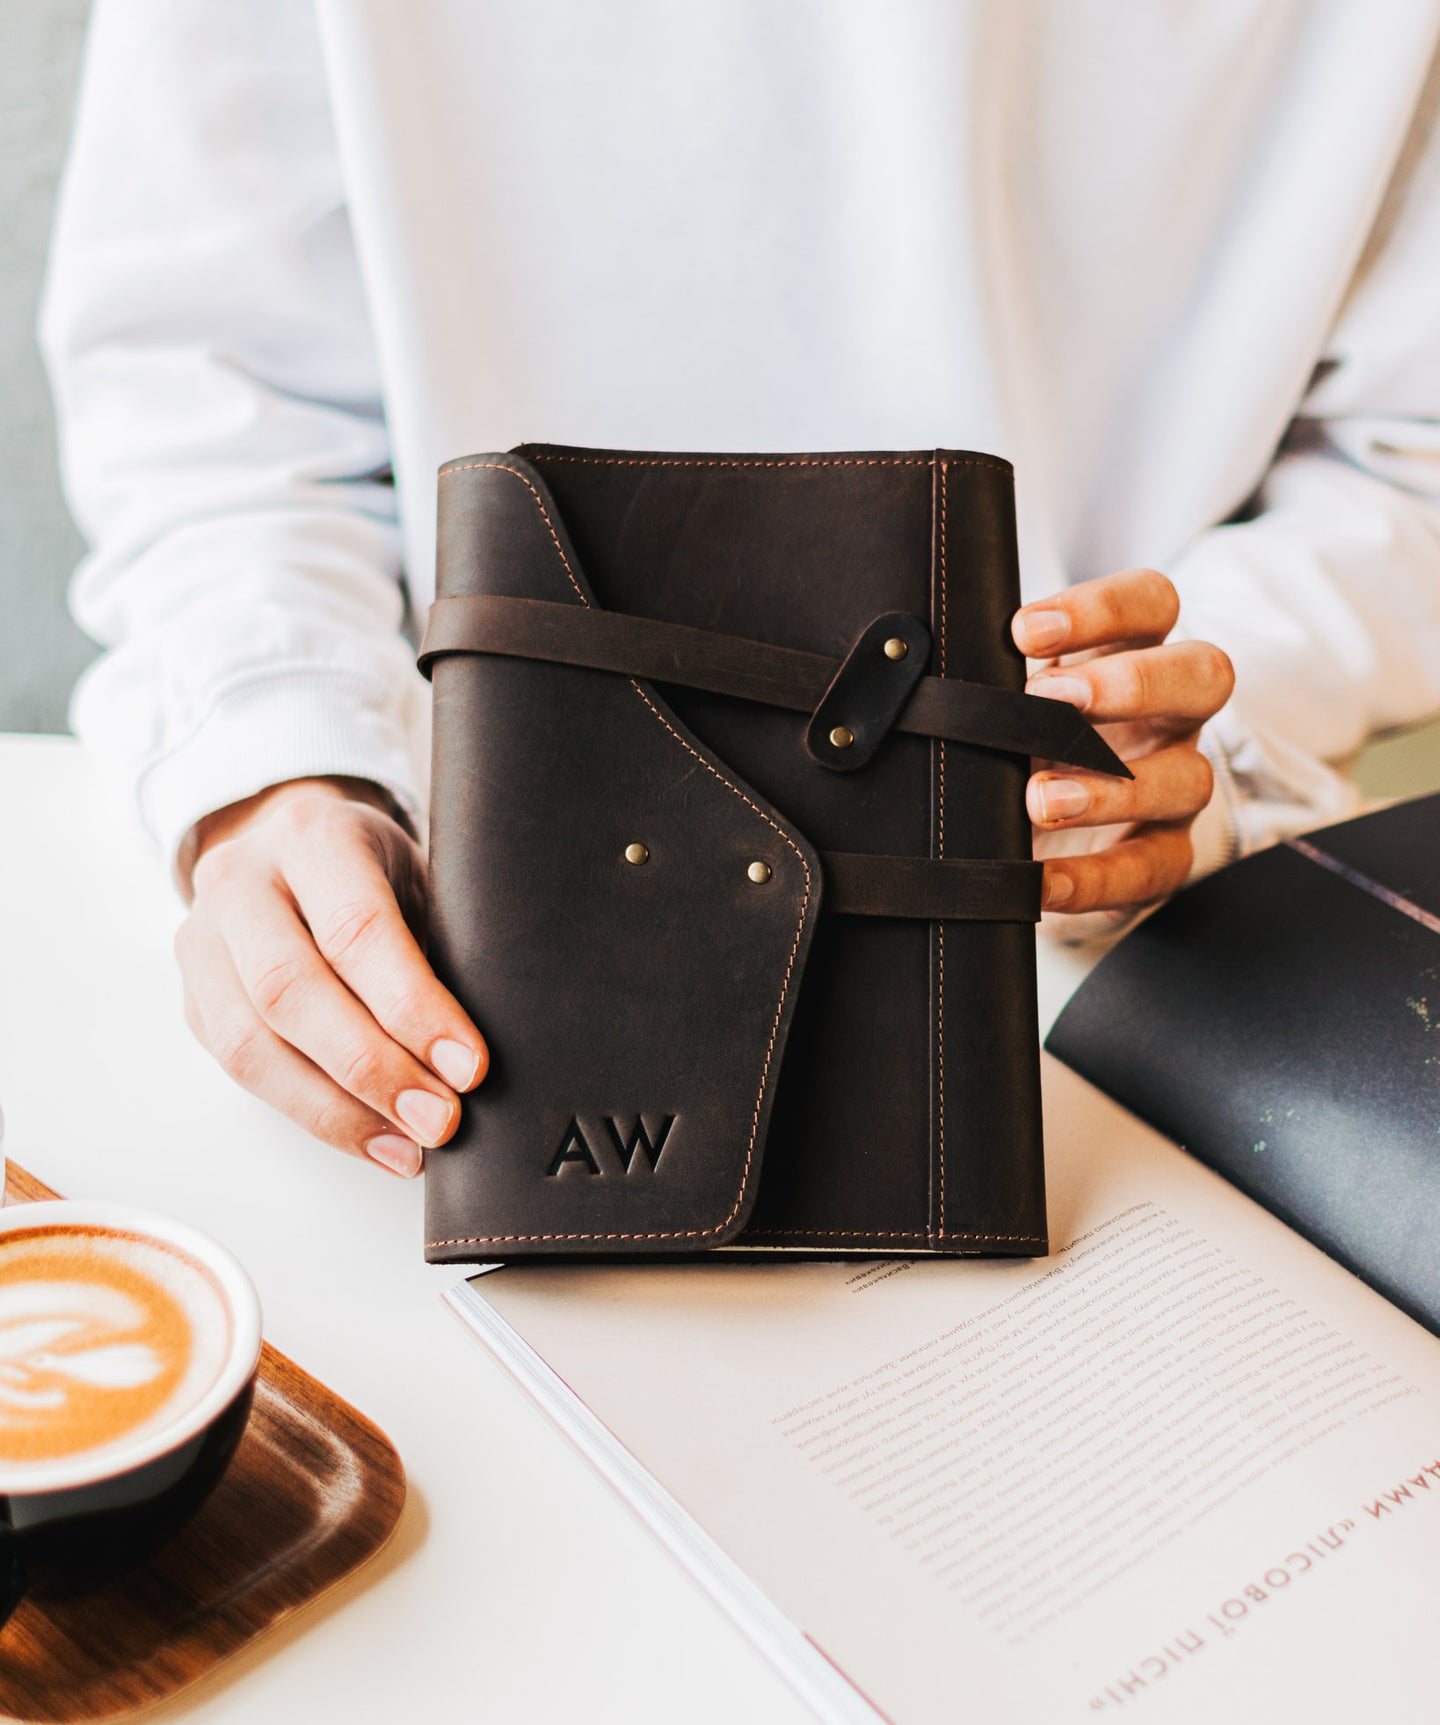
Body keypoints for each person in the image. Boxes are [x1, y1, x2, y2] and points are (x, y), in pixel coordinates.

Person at [40, 4, 1440, 1178]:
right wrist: (274, 760)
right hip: (432, 944)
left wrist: (1178, 706)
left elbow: (1411, 457)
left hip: (1102, 969)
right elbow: (209, 371)